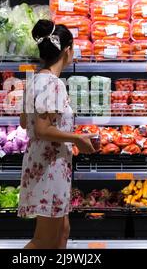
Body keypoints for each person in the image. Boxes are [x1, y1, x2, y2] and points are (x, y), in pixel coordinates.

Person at [18, 20, 96, 249]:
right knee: (43, 241)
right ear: (67, 49)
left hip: (40, 162)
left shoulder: (34, 80)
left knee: (62, 231)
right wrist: (77, 139)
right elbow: (42, 129)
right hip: (49, 168)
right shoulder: (53, 84)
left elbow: (25, 123)